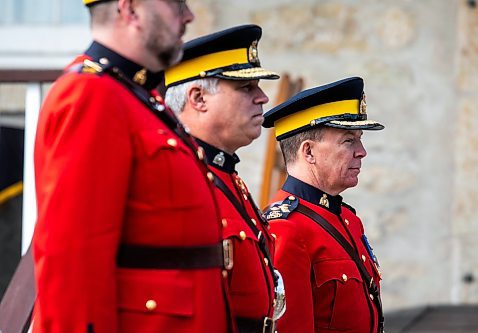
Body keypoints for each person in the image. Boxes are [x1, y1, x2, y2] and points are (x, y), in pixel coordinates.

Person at [32, 0, 232, 332]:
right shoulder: (90, 94)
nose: (189, 16)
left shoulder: (137, 97)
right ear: (130, 10)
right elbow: (73, 263)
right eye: (175, 4)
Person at [164, 24, 285, 333]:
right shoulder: (172, 179)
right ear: (198, 98)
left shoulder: (227, 177)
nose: (263, 98)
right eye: (246, 88)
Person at [262, 77, 385, 333]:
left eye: (359, 139)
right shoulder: (285, 227)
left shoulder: (347, 218)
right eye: (348, 140)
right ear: (308, 152)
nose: (362, 151)